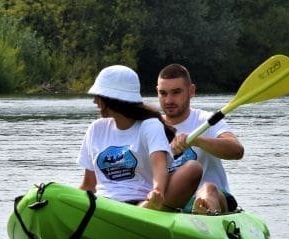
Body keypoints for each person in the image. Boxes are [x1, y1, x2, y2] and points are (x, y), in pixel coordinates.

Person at [79, 65, 201, 211]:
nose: (95, 102)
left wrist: (157, 191)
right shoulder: (96, 128)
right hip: (102, 203)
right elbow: (88, 185)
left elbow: (159, 165)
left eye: (98, 97)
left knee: (193, 168)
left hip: (140, 204)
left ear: (112, 100)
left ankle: (151, 210)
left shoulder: (150, 126)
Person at [156, 63, 245, 215]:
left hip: (212, 197)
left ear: (191, 91)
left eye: (176, 92)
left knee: (208, 188)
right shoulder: (151, 126)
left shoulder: (206, 120)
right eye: (163, 93)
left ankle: (204, 215)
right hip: (171, 200)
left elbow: (237, 151)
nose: (169, 100)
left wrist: (196, 140)